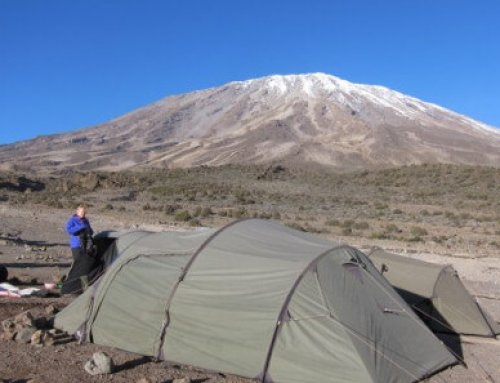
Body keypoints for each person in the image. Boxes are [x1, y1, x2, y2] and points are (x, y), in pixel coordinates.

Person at [61, 205, 97, 294]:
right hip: (76, 245)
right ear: (77, 211)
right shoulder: (72, 220)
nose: (83, 213)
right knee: (77, 264)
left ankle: (84, 285)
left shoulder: (86, 220)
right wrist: (81, 227)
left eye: (84, 212)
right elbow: (69, 230)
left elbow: (91, 231)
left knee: (84, 264)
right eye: (81, 212)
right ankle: (69, 284)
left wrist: (88, 230)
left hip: (86, 246)